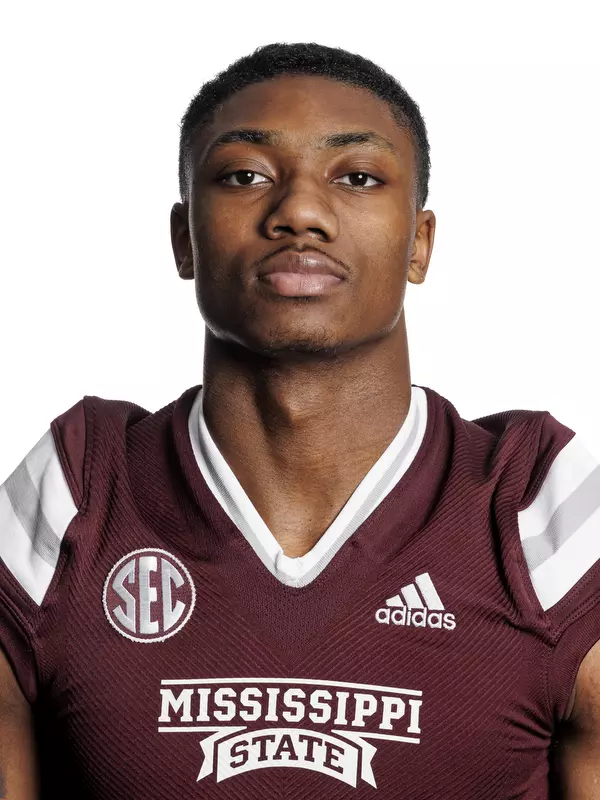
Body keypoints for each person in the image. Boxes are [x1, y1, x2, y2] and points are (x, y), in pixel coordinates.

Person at [0, 41, 599, 800]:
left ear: (420, 243)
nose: (300, 212)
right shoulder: (74, 497)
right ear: (184, 239)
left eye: (356, 177)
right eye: (245, 175)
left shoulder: (540, 512)